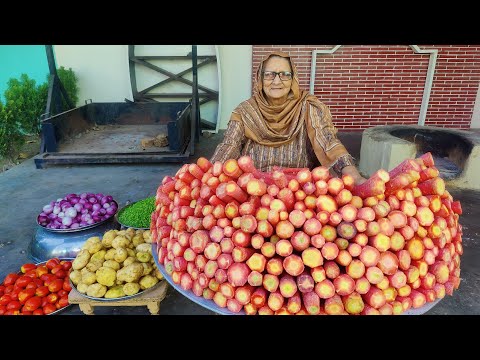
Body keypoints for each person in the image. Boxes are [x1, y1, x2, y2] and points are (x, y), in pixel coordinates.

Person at [210, 51, 367, 185]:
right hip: (254, 187)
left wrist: (353, 174)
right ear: (260, 78)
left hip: (300, 189)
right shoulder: (245, 111)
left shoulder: (308, 106)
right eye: (269, 74)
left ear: (293, 79)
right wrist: (210, 174)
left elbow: (327, 142)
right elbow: (230, 145)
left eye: (284, 75)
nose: (277, 81)